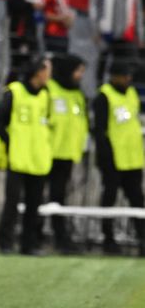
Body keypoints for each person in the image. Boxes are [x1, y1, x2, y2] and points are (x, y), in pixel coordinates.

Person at [0, 56, 53, 255]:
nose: (49, 75)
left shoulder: (46, 95)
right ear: (38, 72)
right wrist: (11, 142)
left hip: (38, 159)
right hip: (18, 158)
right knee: (12, 202)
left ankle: (29, 244)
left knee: (34, 204)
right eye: (47, 70)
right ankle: (5, 242)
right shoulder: (14, 92)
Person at [92, 61, 145, 256]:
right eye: (124, 75)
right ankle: (108, 239)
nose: (128, 79)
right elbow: (99, 130)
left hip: (133, 158)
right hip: (113, 159)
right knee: (110, 199)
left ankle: (142, 238)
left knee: (137, 200)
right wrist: (105, 157)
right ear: (113, 76)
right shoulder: (104, 96)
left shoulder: (131, 94)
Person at [45, 53, 88, 253]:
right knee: (39, 197)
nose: (80, 75)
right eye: (78, 71)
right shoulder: (49, 90)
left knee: (59, 198)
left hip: (67, 155)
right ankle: (34, 234)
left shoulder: (77, 95)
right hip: (46, 153)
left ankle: (61, 238)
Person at [89, 0, 142, 83]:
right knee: (102, 65)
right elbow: (93, 6)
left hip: (126, 34)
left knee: (129, 64)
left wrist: (140, 35)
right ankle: (100, 90)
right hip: (106, 32)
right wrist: (95, 29)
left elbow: (137, 12)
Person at [6, 0, 44, 77]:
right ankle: (10, 92)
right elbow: (12, 4)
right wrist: (31, 5)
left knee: (29, 62)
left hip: (29, 30)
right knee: (19, 64)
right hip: (21, 32)